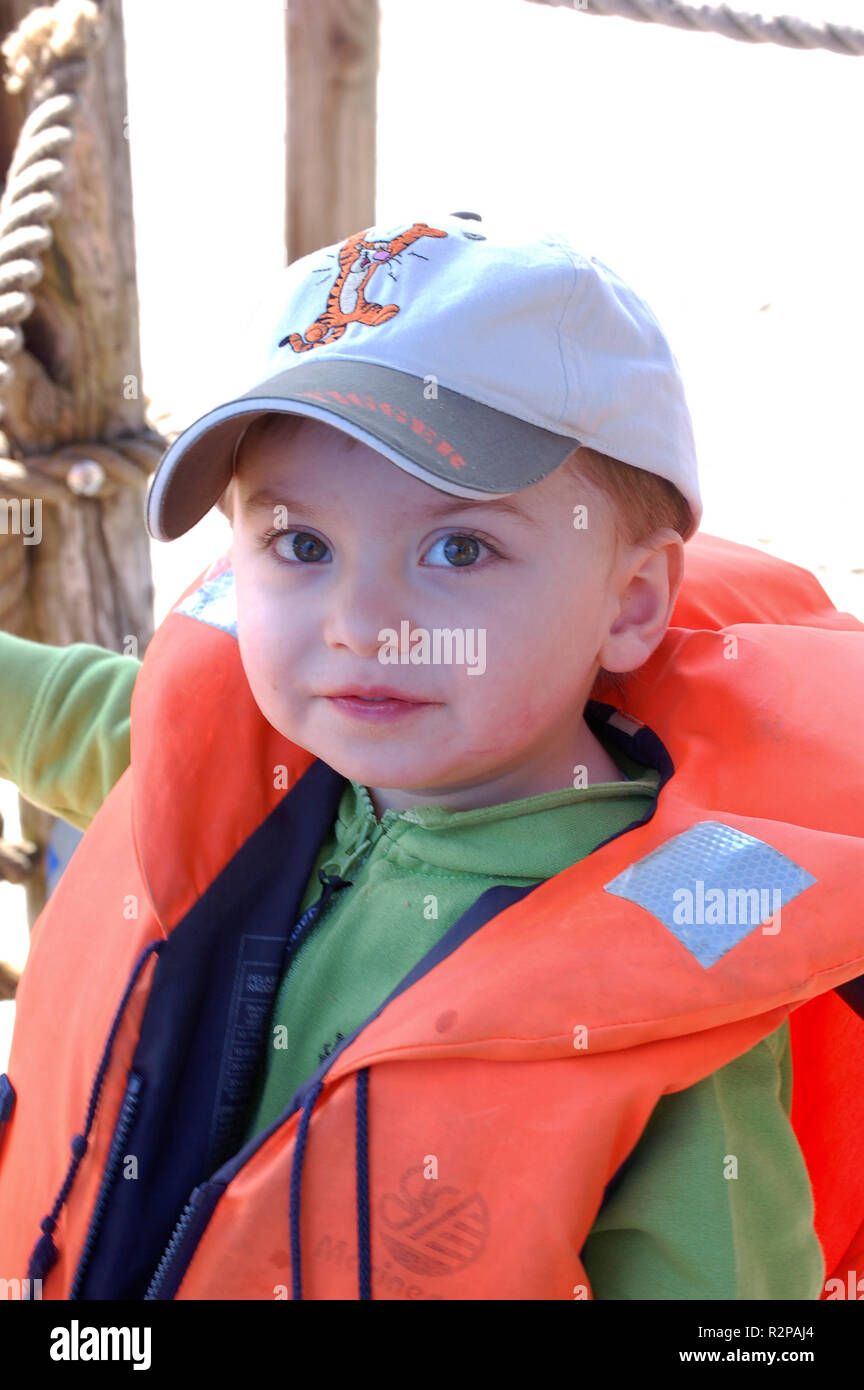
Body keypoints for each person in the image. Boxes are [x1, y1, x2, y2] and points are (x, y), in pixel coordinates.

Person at [0, 210, 862, 1302]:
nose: (361, 621)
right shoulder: (254, 753)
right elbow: (68, 715)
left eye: (459, 548)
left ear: (634, 598)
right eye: (301, 545)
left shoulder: (671, 996)